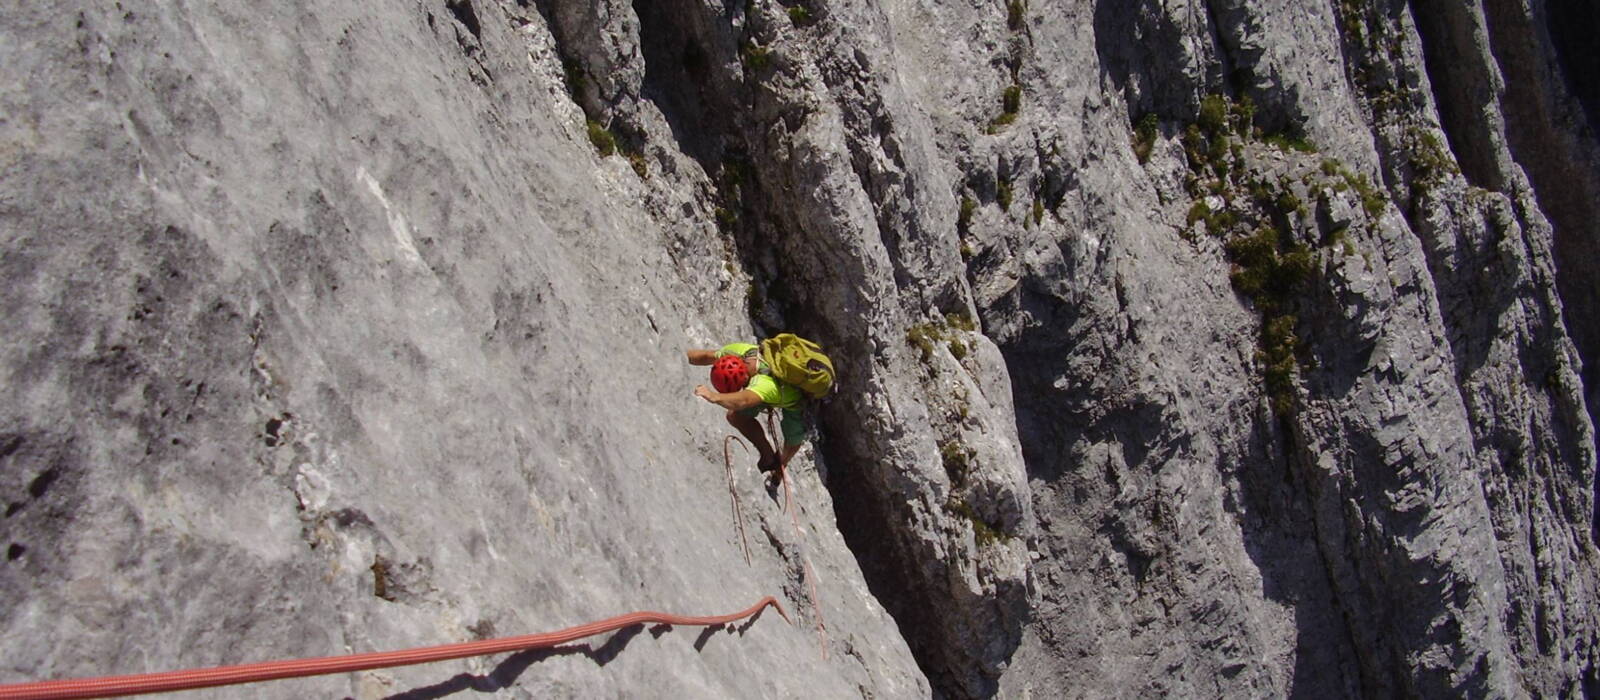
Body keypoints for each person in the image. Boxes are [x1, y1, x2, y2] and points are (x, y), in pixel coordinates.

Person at [687, 342, 806, 477]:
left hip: (795, 401)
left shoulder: (764, 385)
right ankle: (769, 457)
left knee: (793, 440)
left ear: (744, 379)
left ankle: (781, 467)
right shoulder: (738, 351)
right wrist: (679, 353)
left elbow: (744, 400)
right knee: (736, 416)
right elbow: (706, 356)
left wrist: (714, 397)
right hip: (771, 389)